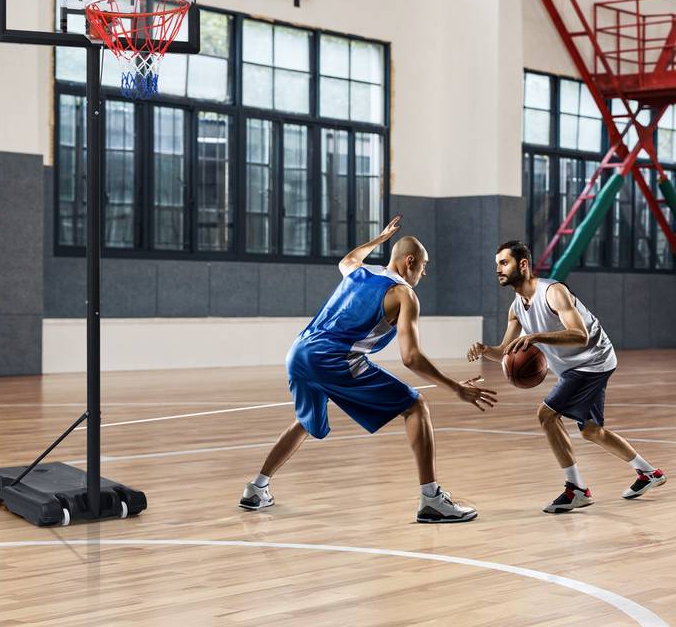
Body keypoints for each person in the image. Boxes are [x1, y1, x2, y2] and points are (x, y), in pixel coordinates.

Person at [239, 215, 497, 523]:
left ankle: (256, 488)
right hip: (334, 359)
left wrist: (379, 239)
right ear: (410, 261)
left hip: (299, 352)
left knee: (306, 422)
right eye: (424, 265)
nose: (425, 272)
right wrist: (456, 388)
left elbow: (348, 257)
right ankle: (431, 499)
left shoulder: (358, 271)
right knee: (415, 406)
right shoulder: (404, 295)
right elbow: (411, 357)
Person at [468, 240, 667, 513]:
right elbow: (506, 351)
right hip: (577, 367)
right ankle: (648, 473)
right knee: (591, 431)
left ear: (523, 265)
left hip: (592, 361)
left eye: (504, 263)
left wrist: (536, 337)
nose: (498, 269)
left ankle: (576, 490)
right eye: (496, 265)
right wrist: (484, 350)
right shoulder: (516, 307)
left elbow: (580, 334)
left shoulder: (553, 292)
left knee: (546, 415)